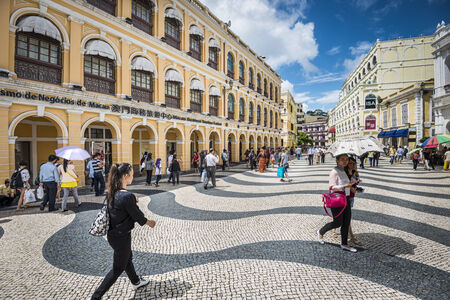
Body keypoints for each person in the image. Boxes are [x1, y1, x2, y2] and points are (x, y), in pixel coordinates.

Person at [91, 163, 156, 300]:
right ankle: (96, 296)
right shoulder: (127, 197)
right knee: (118, 268)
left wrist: (133, 200)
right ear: (126, 176)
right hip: (121, 237)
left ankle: (136, 281)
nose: (132, 177)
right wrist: (150, 223)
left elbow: (120, 207)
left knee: (127, 258)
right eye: (132, 174)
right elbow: (138, 217)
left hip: (114, 235)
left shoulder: (112, 192)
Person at [317, 154, 357, 253]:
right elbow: (331, 187)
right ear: (337, 160)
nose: (345, 161)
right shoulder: (334, 172)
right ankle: (320, 231)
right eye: (342, 159)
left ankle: (344, 244)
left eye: (346, 159)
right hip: (338, 199)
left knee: (346, 222)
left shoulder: (344, 171)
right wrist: (344, 186)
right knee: (338, 222)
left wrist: (351, 179)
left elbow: (350, 183)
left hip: (346, 199)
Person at [344, 157, 363, 246]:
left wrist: (357, 188)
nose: (352, 165)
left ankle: (333, 229)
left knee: (344, 217)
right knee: (347, 218)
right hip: (345, 197)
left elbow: (354, 186)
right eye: (350, 163)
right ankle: (352, 237)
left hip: (351, 197)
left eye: (353, 163)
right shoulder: (345, 174)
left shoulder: (355, 173)